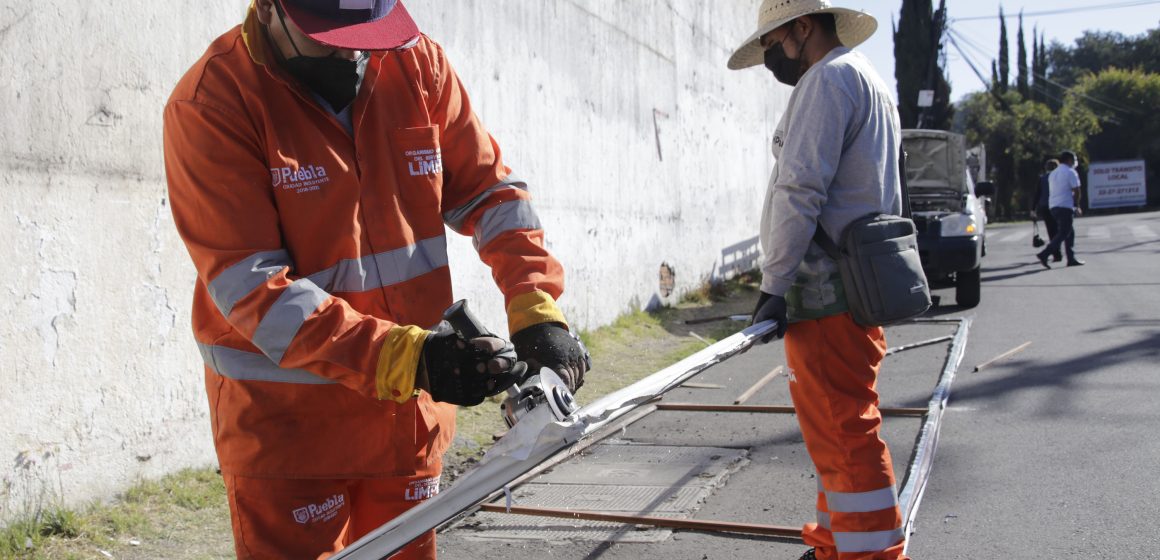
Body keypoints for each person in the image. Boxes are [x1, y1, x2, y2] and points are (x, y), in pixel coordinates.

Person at [163, 1, 589, 558]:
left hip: (407, 424)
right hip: (290, 438)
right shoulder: (213, 103)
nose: (351, 49)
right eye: (329, 34)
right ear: (269, 7)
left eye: (368, 33)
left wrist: (535, 307)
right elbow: (255, 290)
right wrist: (411, 359)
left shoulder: (418, 66)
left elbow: (492, 195)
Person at [728, 1, 908, 558]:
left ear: (802, 27)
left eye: (773, 43)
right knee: (838, 431)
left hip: (827, 293)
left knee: (843, 430)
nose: (770, 60)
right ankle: (834, 545)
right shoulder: (867, 79)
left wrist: (773, 287)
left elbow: (799, 190)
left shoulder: (825, 82)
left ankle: (871, 554)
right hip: (861, 286)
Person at [1036, 150, 1086, 268]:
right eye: (1074, 159)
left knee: (1069, 232)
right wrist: (1077, 205)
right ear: (1069, 160)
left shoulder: (1053, 173)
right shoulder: (1070, 172)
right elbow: (1077, 190)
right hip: (1065, 206)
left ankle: (1071, 257)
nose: (1075, 162)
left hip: (1053, 206)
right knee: (1064, 232)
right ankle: (1045, 253)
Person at [1033, 158, 1062, 261]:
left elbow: (1037, 194)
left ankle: (1056, 254)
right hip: (1057, 206)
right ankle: (1057, 251)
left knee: (1051, 230)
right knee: (1059, 230)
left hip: (1045, 207)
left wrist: (1033, 209)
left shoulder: (1042, 178)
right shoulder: (1059, 177)